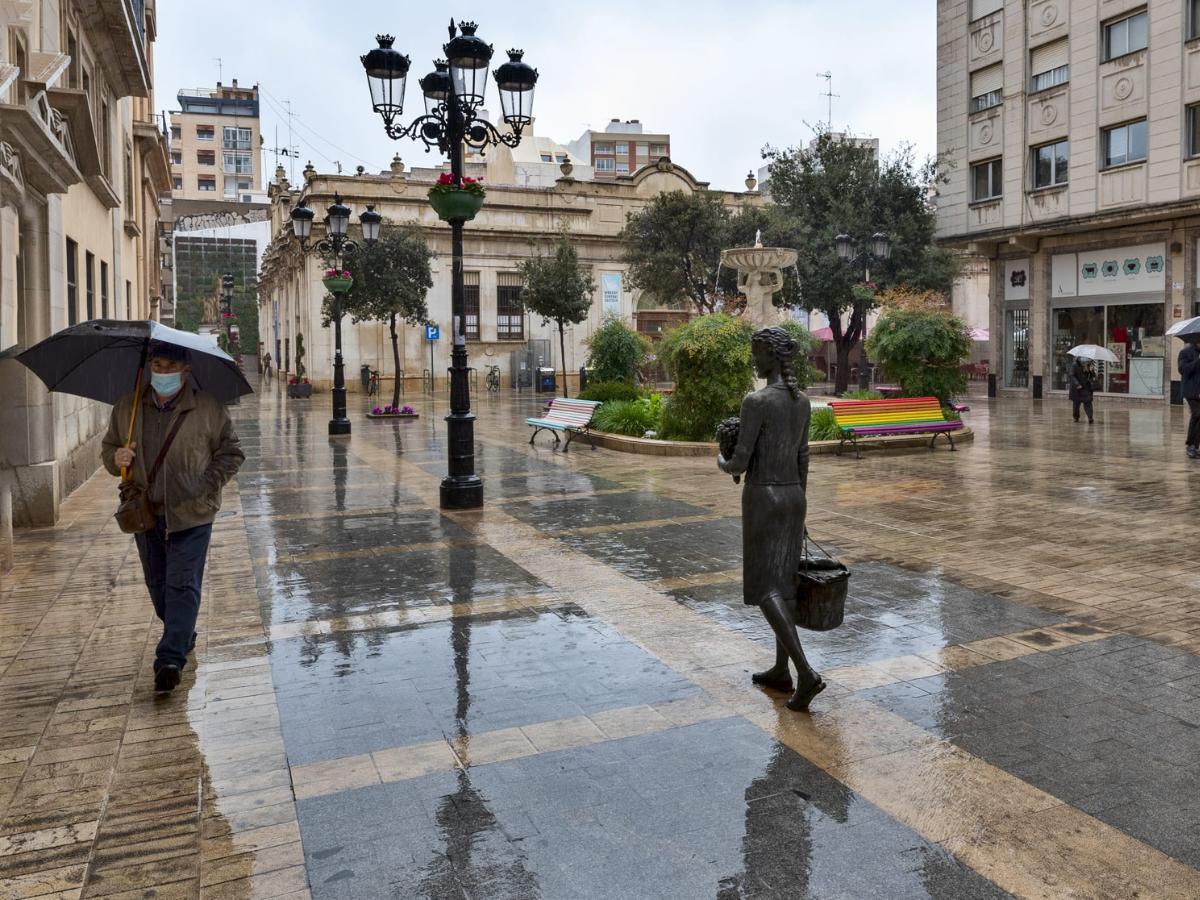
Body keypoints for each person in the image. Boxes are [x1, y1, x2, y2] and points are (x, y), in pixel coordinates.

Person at [101, 342, 245, 692]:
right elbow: (108, 448)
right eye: (157, 365)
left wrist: (205, 484)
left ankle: (170, 659)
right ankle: (182, 631)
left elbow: (232, 452)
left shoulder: (207, 407)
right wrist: (115, 457)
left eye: (170, 366)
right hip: (145, 513)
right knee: (159, 585)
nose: (162, 373)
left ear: (186, 370)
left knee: (182, 583)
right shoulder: (128, 407)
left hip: (193, 512)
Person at [718, 327, 824, 712]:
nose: (754, 360)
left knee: (766, 587)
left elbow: (739, 462)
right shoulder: (802, 402)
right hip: (794, 495)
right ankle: (781, 669)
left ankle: (806, 673)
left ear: (773, 356)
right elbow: (803, 456)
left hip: (763, 495)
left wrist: (721, 459)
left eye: (757, 353)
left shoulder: (756, 401)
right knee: (786, 584)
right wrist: (803, 500)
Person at [1181, 336, 1200, 459]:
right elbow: (1183, 370)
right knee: (1198, 413)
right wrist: (1198, 360)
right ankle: (1190, 445)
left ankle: (1194, 445)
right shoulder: (1185, 352)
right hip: (1191, 390)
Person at [1069, 356, 1096, 424]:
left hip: (1086, 387)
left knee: (1088, 402)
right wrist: (1077, 384)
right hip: (1077, 388)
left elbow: (1092, 376)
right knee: (1076, 404)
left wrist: (1091, 371)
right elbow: (1072, 375)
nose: (1085, 362)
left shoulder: (1089, 365)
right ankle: (1076, 417)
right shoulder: (1074, 365)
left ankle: (1090, 417)